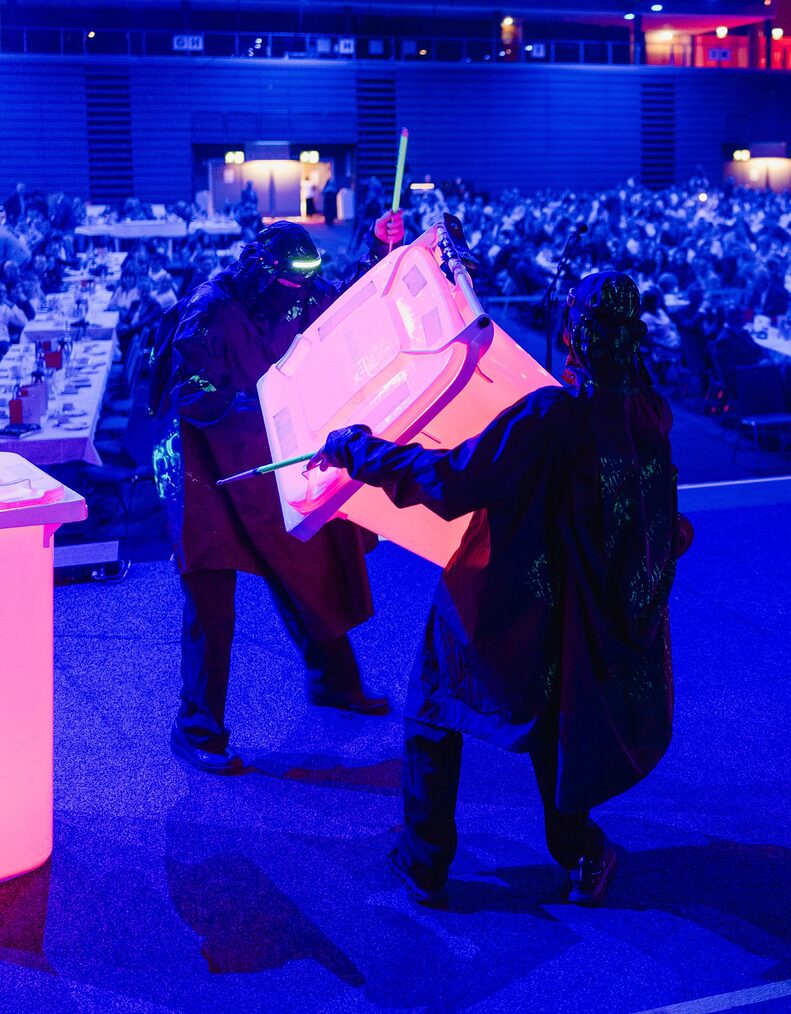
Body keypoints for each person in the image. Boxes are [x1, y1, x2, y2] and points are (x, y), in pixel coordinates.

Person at [311, 271, 687, 907]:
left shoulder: (552, 416)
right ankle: (580, 853)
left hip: (506, 598)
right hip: (582, 616)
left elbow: (453, 479)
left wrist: (360, 450)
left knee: (435, 707)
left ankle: (423, 863)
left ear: (573, 334)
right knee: (554, 723)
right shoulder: (648, 412)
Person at [155, 216, 402, 775]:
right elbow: (191, 393)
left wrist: (378, 246)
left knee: (309, 556)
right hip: (201, 468)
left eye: (305, 284)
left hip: (263, 454)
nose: (300, 296)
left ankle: (334, 680)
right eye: (291, 284)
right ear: (264, 272)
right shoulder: (210, 308)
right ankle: (196, 727)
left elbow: (348, 308)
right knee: (211, 599)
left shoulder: (303, 291)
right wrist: (270, 411)